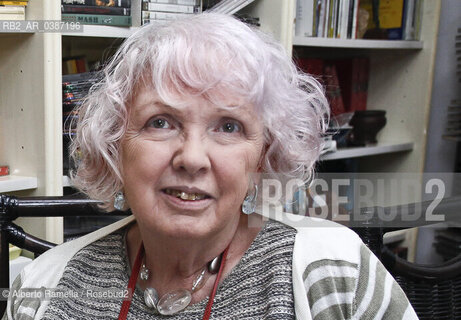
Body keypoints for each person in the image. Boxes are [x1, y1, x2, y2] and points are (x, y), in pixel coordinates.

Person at [3, 13, 418, 320]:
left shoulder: (337, 274)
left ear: (264, 154)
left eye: (229, 126)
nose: (193, 158)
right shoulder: (41, 289)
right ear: (114, 145)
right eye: (160, 122)